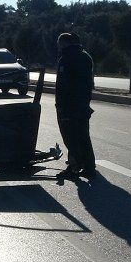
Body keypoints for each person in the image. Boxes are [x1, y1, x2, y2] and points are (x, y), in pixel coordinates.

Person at [54, 32, 96, 180]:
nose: (58, 47)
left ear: (65, 43)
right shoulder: (86, 56)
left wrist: (60, 105)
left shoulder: (66, 59)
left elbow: (62, 85)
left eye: (59, 44)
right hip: (83, 104)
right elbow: (90, 83)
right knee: (84, 137)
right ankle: (89, 167)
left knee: (70, 138)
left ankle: (74, 168)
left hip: (69, 106)